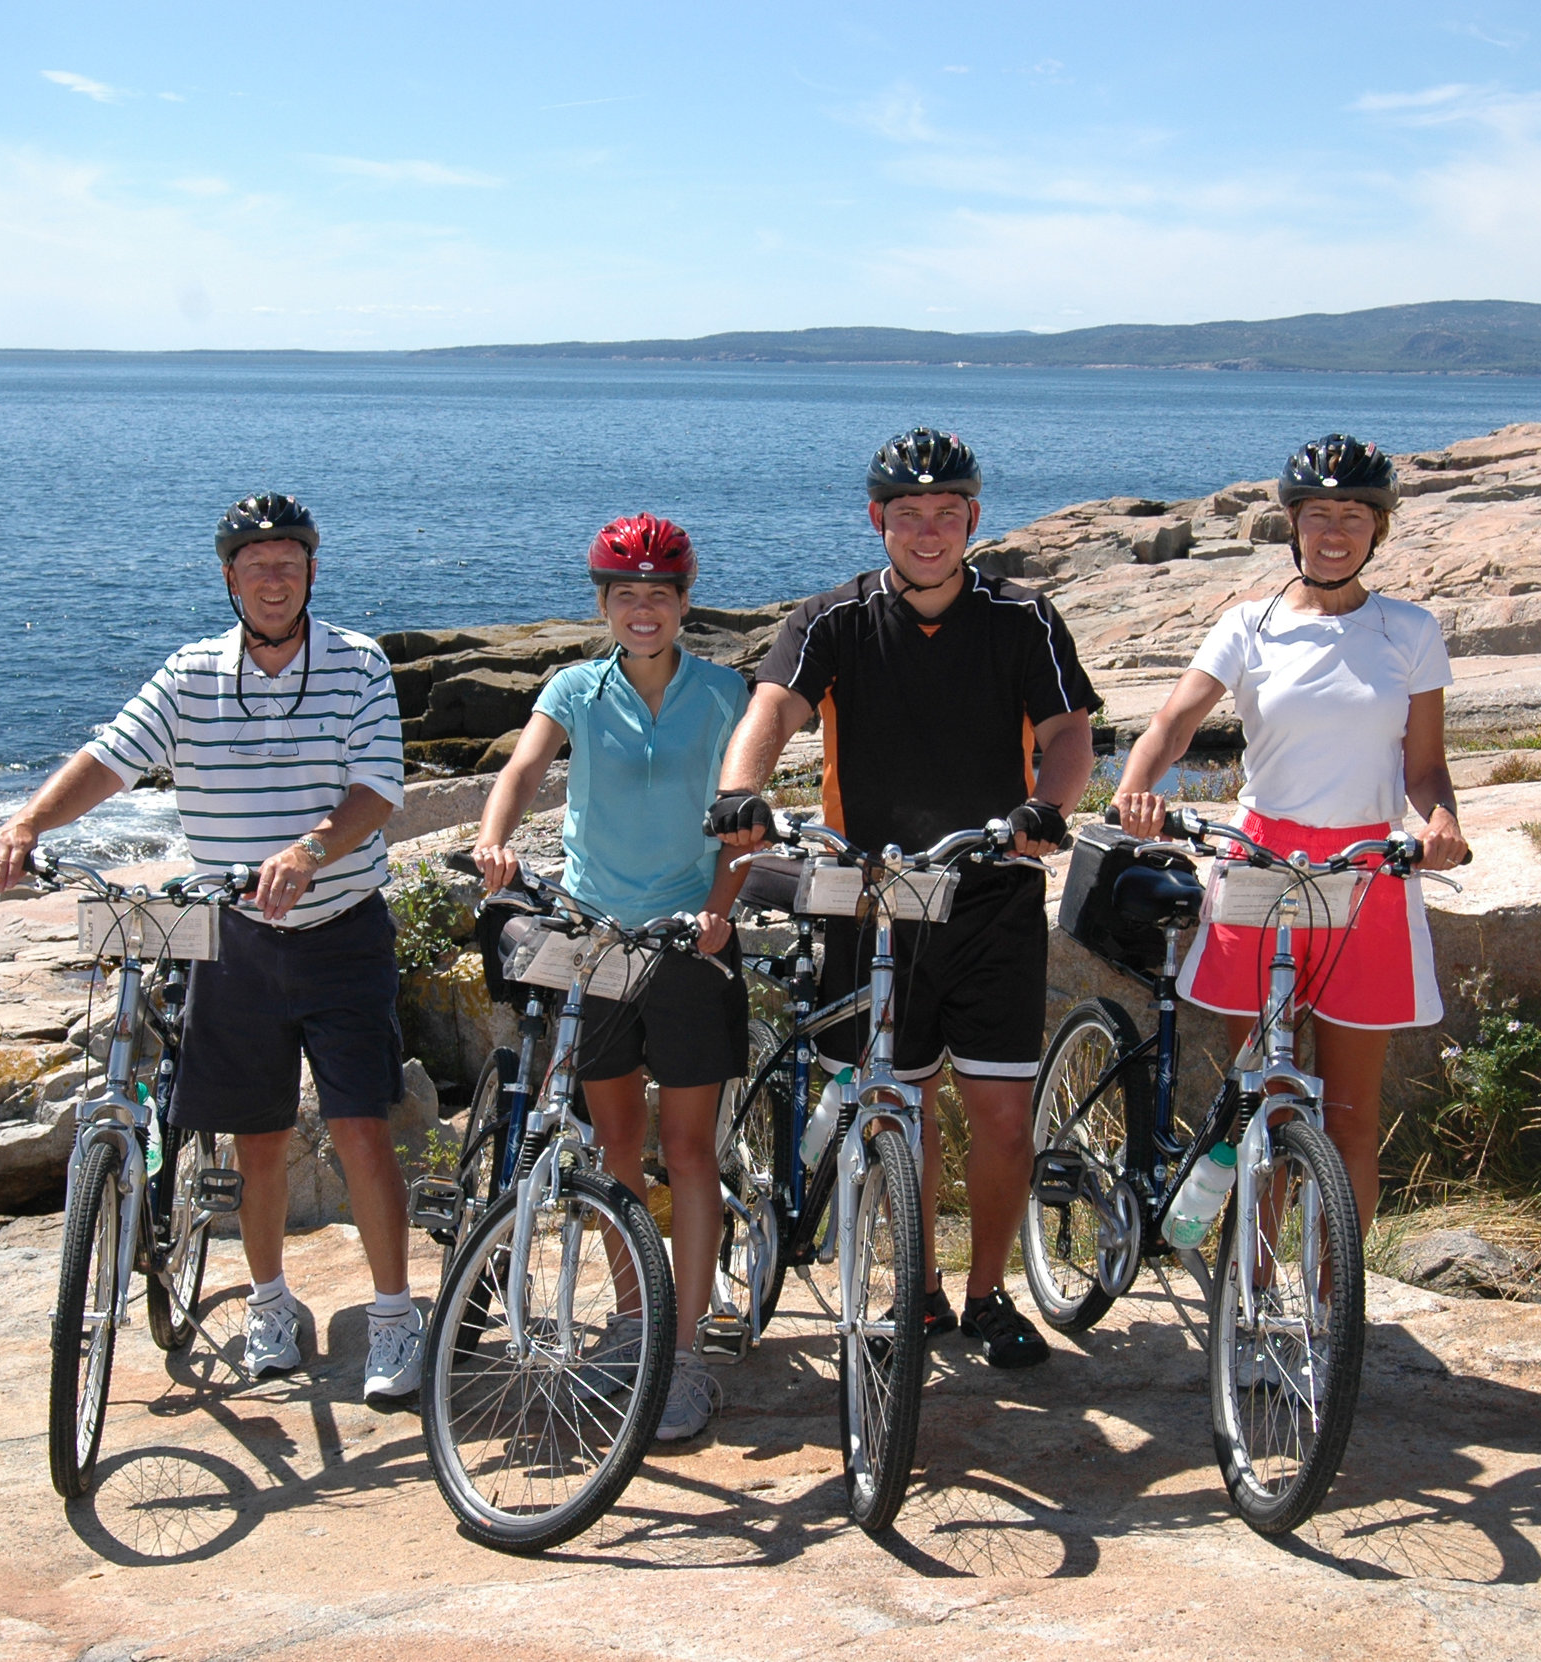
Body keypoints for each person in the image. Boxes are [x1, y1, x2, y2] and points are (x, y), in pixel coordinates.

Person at [0, 492, 425, 1404]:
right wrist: (25, 821)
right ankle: (267, 1303)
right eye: (255, 565)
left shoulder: (358, 664)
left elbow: (378, 788)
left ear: (310, 573)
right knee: (255, 1139)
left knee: (361, 1129)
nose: (272, 578)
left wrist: (309, 850)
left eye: (288, 564)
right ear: (228, 577)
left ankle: (392, 1316)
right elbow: (112, 758)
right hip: (230, 937)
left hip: (341, 929)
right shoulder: (188, 673)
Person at [708, 429, 1099, 1370]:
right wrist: (739, 791)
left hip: (989, 890)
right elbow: (772, 710)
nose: (928, 532)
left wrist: (1048, 806)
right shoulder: (829, 620)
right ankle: (915, 1290)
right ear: (877, 519)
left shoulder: (1023, 617)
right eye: (909, 514)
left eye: (947, 514)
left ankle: (987, 1291)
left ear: (973, 518)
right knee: (898, 1107)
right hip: (872, 894)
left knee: (1003, 1117)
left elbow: (1068, 730)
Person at [1112, 435, 1469, 1237]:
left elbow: (1426, 767)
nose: (1333, 532)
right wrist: (1138, 786)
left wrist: (1441, 820)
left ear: (1378, 528)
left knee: (1348, 1114)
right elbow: (1173, 722)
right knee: (1263, 1093)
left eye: (1353, 515)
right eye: (1317, 515)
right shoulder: (1250, 625)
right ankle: (1257, 1291)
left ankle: (1334, 1308)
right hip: (1262, 859)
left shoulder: (1409, 632)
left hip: (1366, 867)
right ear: (1292, 523)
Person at [470, 513, 751, 1442]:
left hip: (689, 942)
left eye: (660, 596)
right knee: (616, 1148)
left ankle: (688, 1348)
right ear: (603, 605)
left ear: (683, 604)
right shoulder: (576, 688)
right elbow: (522, 767)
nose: (643, 610)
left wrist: (721, 905)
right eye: (625, 596)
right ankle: (637, 1326)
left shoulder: (722, 693)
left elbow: (742, 821)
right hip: (594, 942)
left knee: (693, 1148)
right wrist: (495, 838)